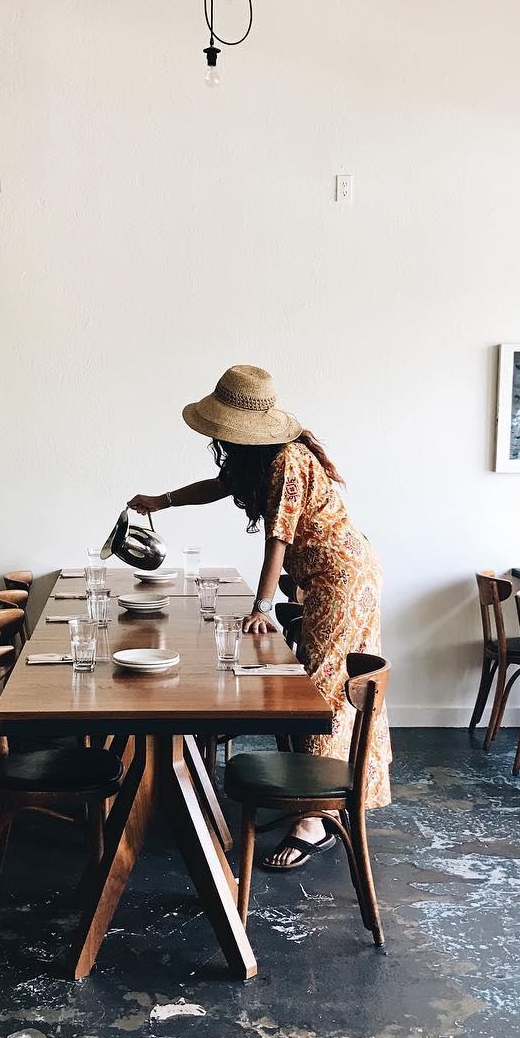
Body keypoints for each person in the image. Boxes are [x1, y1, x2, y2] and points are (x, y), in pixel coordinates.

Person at [129, 364, 390, 871]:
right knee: (319, 678)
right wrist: (161, 501)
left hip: (342, 576)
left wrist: (262, 607)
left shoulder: (288, 459)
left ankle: (315, 817)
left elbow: (278, 540)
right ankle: (312, 793)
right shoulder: (258, 459)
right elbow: (218, 486)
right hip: (318, 575)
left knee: (325, 685)